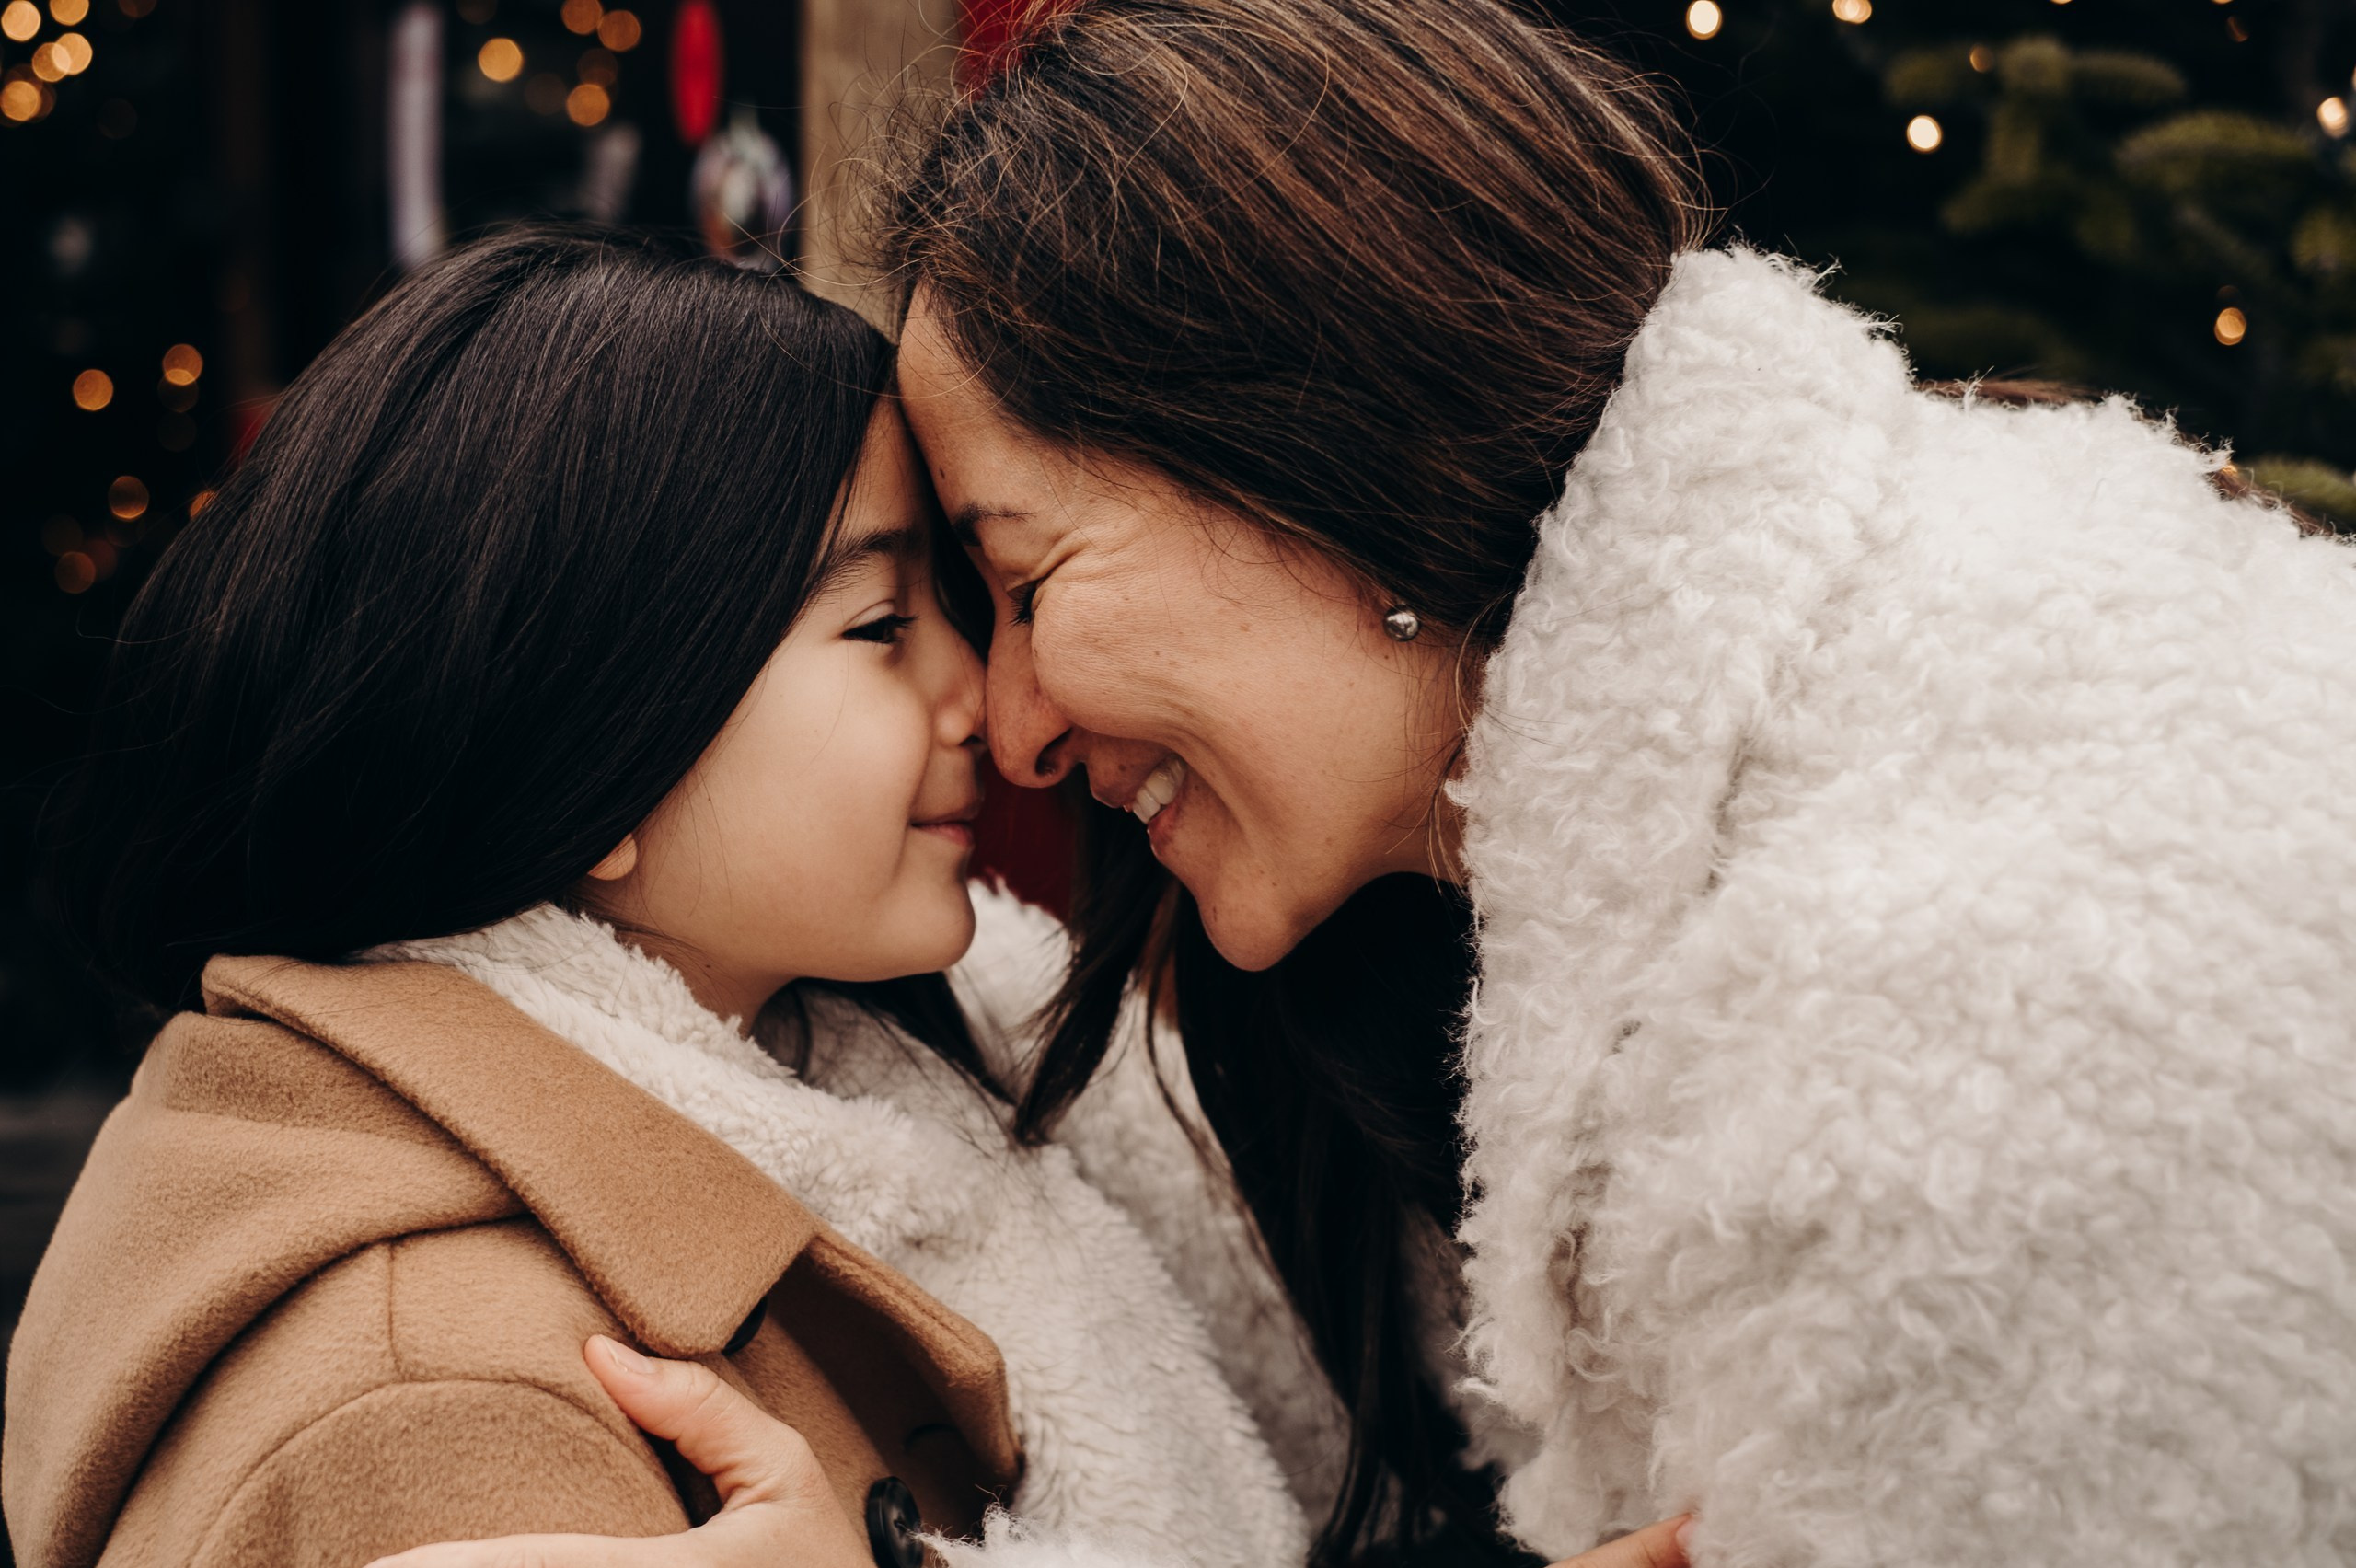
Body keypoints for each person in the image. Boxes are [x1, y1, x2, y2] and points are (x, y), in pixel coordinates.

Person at [354, 0, 2356, 1562]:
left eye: (1022, 579)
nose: (1019, 719)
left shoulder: (1970, 1003)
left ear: (1319, 462)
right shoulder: (1596, 884)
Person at [0, 225, 1340, 1568]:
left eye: (964, 604)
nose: (984, 704)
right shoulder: (446, 1404)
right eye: (882, 626)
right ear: (600, 751)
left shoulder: (906, 1068)